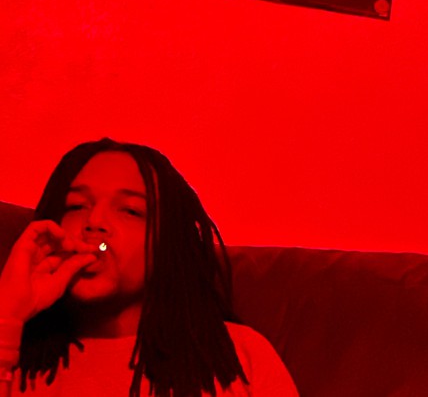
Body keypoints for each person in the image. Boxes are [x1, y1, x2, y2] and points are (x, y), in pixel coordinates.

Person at [0, 138, 298, 396]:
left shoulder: (239, 356)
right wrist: (7, 314)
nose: (94, 222)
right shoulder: (15, 357)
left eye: (130, 211)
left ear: (168, 243)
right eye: (76, 206)